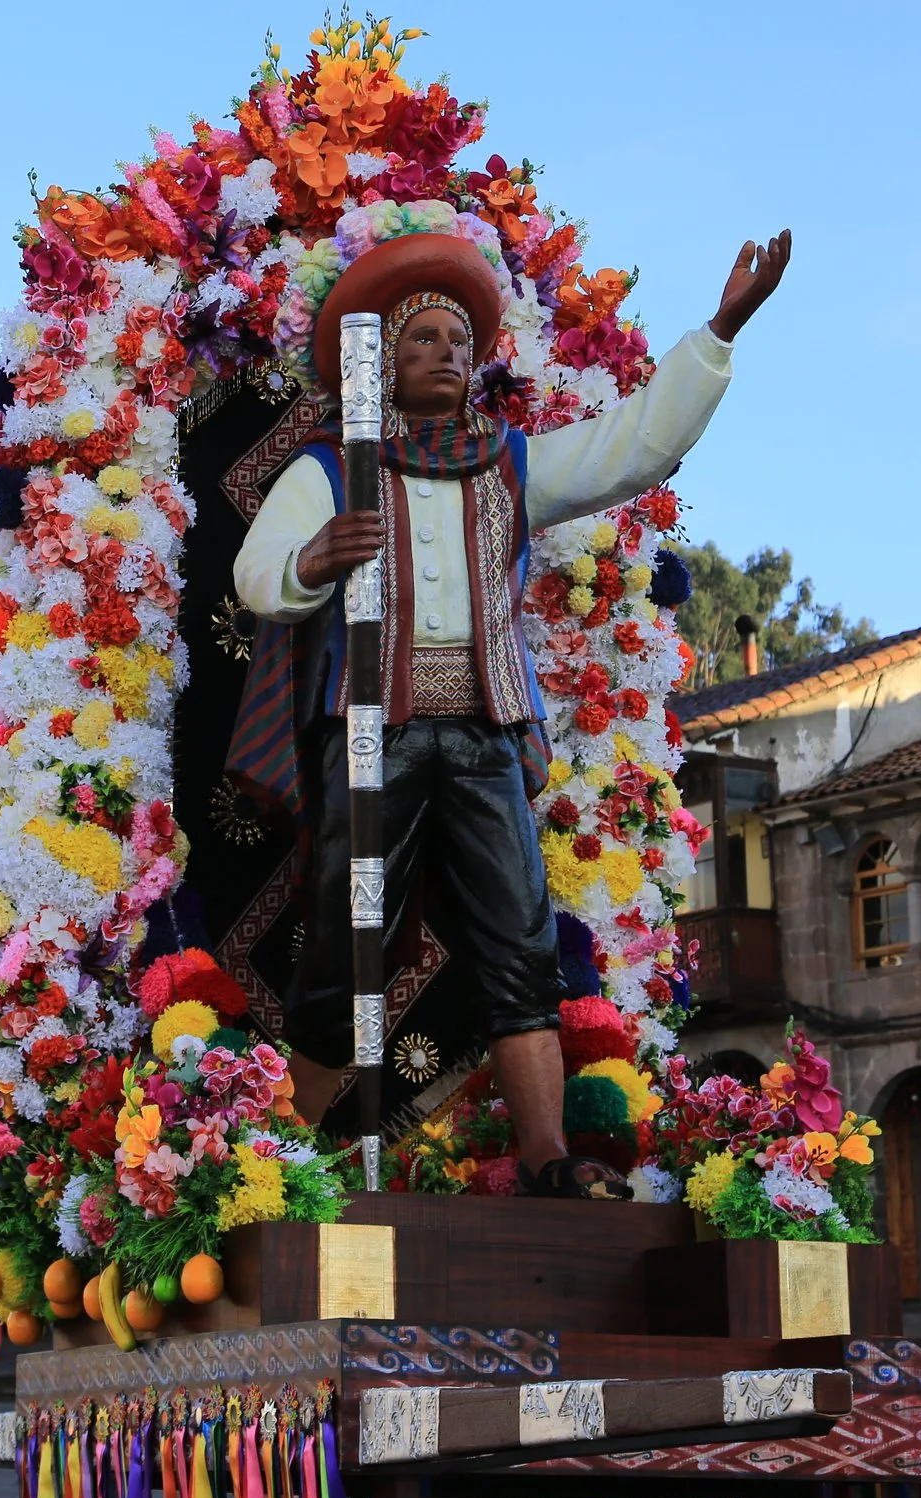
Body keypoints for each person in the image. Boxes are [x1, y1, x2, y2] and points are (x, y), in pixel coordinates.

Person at [231, 229, 790, 1190]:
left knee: (518, 936)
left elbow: (634, 445)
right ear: (383, 367)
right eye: (422, 341)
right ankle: (272, 1164)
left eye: (458, 339)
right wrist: (312, 560)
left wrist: (721, 330)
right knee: (341, 943)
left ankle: (548, 1160)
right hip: (372, 732)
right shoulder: (329, 470)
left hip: (488, 731)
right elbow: (256, 575)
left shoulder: (511, 464)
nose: (446, 352)